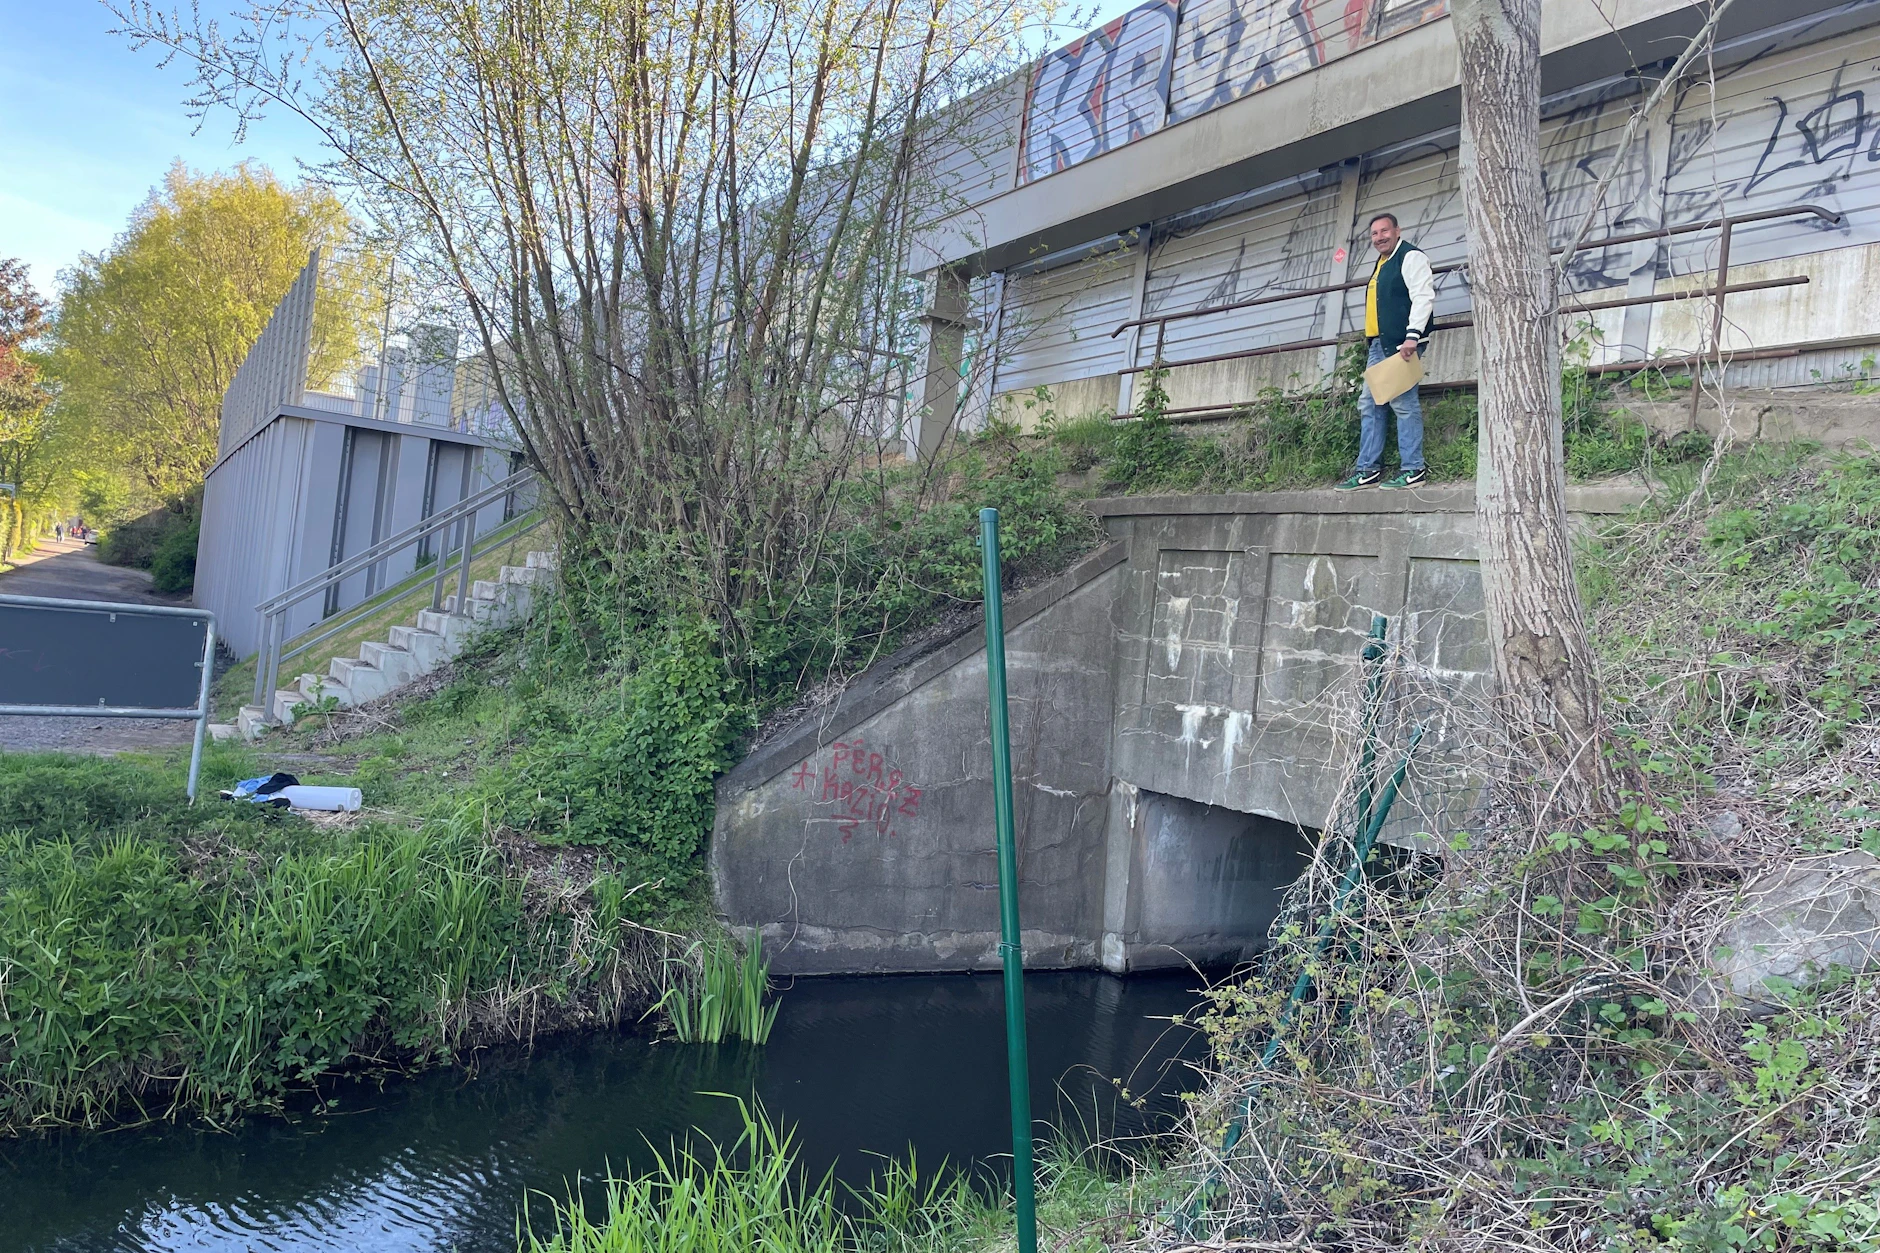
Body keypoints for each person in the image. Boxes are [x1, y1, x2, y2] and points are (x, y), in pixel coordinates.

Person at [1336, 211, 1435, 490]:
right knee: (1371, 404)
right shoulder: (1382, 263)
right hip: (1380, 344)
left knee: (1403, 404)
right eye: (1374, 234)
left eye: (1384, 231)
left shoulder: (1410, 257)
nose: (1379, 237)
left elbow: (1423, 296)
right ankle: (1367, 470)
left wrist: (1412, 336)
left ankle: (1414, 469)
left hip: (1402, 343)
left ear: (1397, 230)